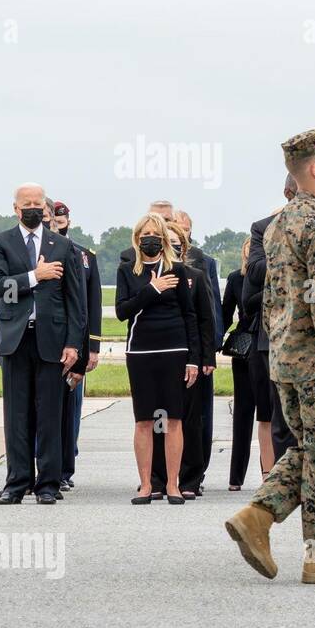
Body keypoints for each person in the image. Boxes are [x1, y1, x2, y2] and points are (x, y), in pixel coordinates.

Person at [224, 125, 315, 584]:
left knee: (308, 449)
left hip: (287, 358)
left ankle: (259, 516)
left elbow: (272, 299)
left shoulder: (280, 224)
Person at [0, 183, 86, 504]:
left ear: (45, 208)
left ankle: (48, 484)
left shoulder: (63, 246)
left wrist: (74, 343)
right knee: (16, 415)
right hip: (15, 339)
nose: (32, 208)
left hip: (52, 342)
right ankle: (16, 483)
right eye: (25, 203)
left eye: (37, 203)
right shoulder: (1, 243)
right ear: (16, 209)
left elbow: (75, 300)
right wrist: (35, 275)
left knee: (49, 415)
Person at [116, 213, 198, 504]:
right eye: (145, 234)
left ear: (163, 238)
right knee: (144, 421)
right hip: (140, 351)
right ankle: (146, 484)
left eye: (155, 234)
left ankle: (173, 484)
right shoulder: (127, 270)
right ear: (137, 239)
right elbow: (122, 311)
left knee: (174, 419)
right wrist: (152, 289)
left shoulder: (176, 269)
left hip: (174, 350)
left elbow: (190, 315)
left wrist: (193, 358)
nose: (150, 239)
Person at [147, 224, 215, 498]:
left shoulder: (195, 276)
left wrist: (205, 357)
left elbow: (204, 319)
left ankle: (189, 479)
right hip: (157, 355)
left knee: (189, 419)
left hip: (189, 355)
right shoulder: (149, 276)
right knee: (157, 419)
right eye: (168, 241)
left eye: (177, 242)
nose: (172, 246)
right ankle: (158, 477)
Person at [243, 176, 299, 463]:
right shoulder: (264, 228)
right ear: (287, 192)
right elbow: (254, 270)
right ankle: (281, 478)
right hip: (277, 335)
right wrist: (289, 254)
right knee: (282, 417)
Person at [51, 200, 101, 493]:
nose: (58, 221)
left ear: (69, 219)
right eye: (52, 218)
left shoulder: (85, 256)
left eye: (61, 217)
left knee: (71, 409)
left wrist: (92, 346)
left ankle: (66, 468)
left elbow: (91, 305)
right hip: (48, 342)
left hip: (76, 345)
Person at [174, 209, 220, 487]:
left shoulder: (204, 262)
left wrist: (210, 349)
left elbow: (211, 308)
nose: (182, 234)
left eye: (186, 229)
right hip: (168, 346)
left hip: (198, 350)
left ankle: (195, 472)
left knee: (199, 416)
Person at [222, 238, 270, 490]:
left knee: (268, 413)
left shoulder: (275, 274)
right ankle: (235, 477)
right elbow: (225, 313)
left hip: (267, 346)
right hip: (245, 348)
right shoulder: (236, 278)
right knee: (242, 413)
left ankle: (269, 472)